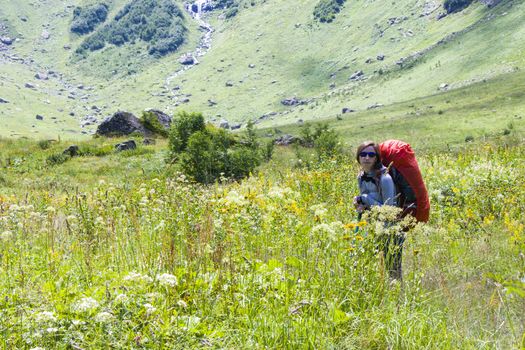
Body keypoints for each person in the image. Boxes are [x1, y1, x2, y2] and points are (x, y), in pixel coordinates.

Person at [353, 141, 403, 280]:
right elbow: (367, 205)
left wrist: (364, 198)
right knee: (368, 267)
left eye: (371, 155)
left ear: (376, 158)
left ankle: (398, 299)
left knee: (393, 270)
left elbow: (389, 211)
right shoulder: (361, 177)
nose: (366, 158)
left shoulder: (385, 178)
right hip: (372, 227)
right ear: (358, 157)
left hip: (390, 230)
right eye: (363, 154)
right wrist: (360, 205)